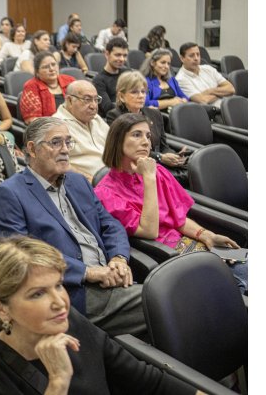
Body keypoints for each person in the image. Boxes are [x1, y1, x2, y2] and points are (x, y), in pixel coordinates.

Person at [0, 236, 200, 395]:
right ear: (0, 307)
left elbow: (149, 382)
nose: (60, 303)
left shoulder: (73, 322)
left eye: (58, 285)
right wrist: (58, 383)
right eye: (38, 294)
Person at [0, 117, 146, 336]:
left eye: (68, 142)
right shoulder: (9, 194)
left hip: (111, 277)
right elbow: (23, 256)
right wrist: (88, 272)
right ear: (33, 149)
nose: (65, 150)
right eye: (56, 143)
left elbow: (110, 224)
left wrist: (118, 258)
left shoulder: (77, 181)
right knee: (162, 303)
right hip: (70, 292)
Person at [94, 113, 247, 294]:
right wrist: (149, 179)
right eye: (137, 135)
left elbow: (179, 218)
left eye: (148, 136)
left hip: (191, 246)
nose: (146, 142)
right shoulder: (106, 192)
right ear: (117, 141)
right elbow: (150, 231)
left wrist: (206, 235)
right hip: (166, 259)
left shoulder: (157, 171)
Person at [105, 71, 188, 184]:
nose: (141, 96)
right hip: (135, 167)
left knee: (195, 168)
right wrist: (160, 157)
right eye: (134, 92)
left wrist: (174, 156)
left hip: (160, 163)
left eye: (143, 92)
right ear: (122, 96)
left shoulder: (154, 114)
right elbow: (125, 150)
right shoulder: (115, 116)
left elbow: (163, 145)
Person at [52, 81, 108, 181]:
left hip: (114, 177)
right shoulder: (57, 126)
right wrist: (89, 181)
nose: (94, 106)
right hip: (89, 183)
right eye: (87, 100)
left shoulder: (96, 118)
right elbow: (58, 163)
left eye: (96, 100)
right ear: (69, 101)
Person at [20, 51, 76, 124]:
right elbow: (33, 120)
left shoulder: (70, 81)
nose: (51, 69)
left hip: (76, 123)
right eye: (46, 67)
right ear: (37, 72)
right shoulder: (32, 86)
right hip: (51, 129)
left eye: (53, 64)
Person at [175, 42, 235, 109]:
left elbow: (231, 89)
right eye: (191, 55)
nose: (196, 58)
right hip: (213, 113)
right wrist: (222, 92)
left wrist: (210, 91)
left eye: (198, 54)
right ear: (182, 58)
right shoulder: (180, 79)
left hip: (229, 106)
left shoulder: (208, 69)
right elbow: (203, 100)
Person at [140, 48, 188, 112]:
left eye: (168, 63)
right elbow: (145, 103)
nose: (166, 66)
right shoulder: (145, 81)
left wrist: (183, 101)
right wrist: (170, 102)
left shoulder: (172, 80)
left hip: (176, 114)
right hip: (157, 116)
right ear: (152, 63)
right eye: (163, 62)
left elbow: (185, 97)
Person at [93, 37, 129, 118]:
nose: (122, 59)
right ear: (107, 54)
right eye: (118, 55)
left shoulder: (127, 73)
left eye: (125, 55)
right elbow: (109, 109)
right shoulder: (98, 80)